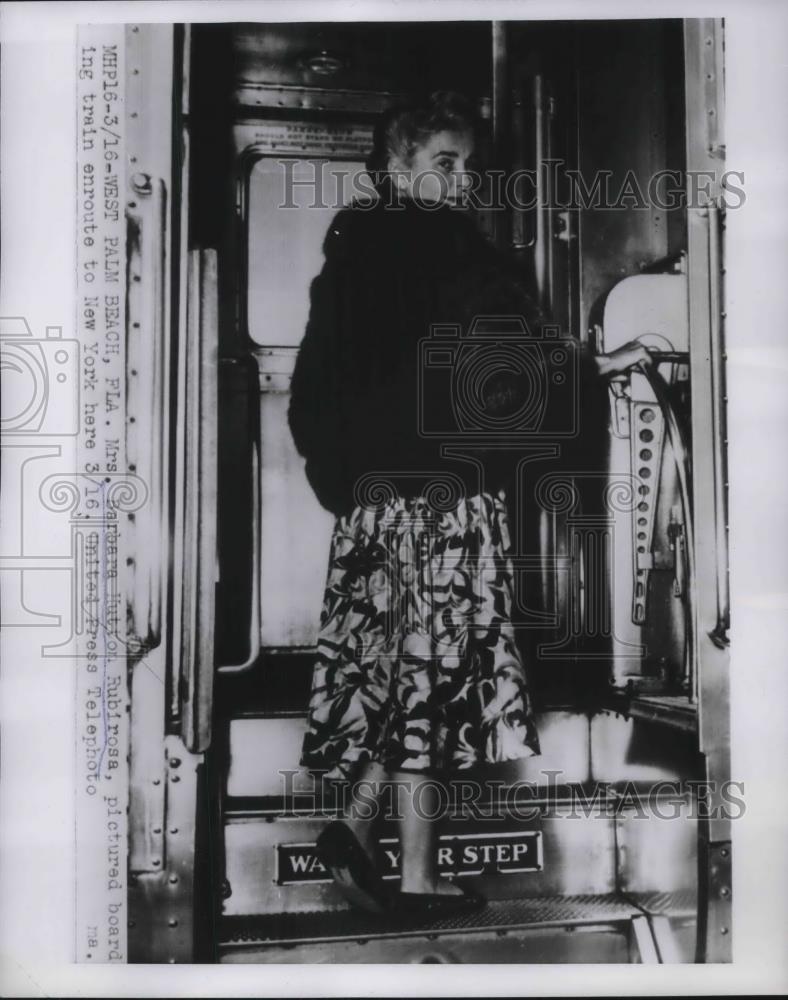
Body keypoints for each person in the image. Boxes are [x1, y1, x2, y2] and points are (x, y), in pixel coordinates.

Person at [287, 91, 651, 915]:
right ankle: (417, 881)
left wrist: (348, 484)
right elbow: (516, 360)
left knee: (397, 676)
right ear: (397, 165)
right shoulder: (457, 252)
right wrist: (595, 370)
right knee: (438, 682)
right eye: (445, 163)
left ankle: (353, 823)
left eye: (467, 166)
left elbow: (311, 393)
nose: (460, 180)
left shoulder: (345, 261)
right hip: (446, 501)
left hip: (376, 507)